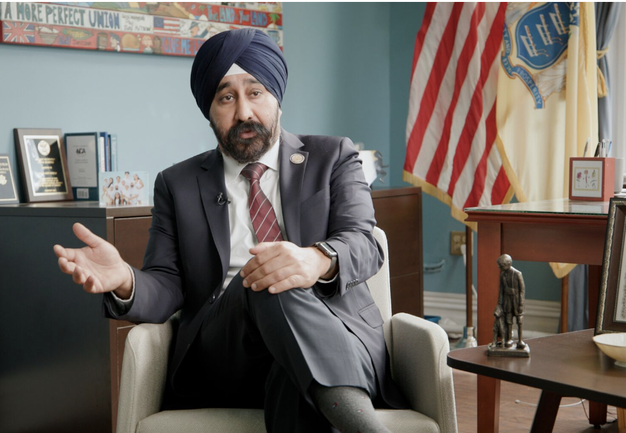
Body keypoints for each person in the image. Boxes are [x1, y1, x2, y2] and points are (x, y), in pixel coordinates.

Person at [54, 28, 406, 432]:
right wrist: (125, 281)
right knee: (267, 276)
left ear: (276, 97)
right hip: (227, 354)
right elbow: (167, 286)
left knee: (290, 368)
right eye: (226, 97)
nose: (243, 113)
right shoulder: (178, 183)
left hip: (342, 338)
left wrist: (313, 260)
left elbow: (364, 243)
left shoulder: (332, 157)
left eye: (255, 93)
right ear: (209, 109)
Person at [497, 254, 526, 349]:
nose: (499, 267)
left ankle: (520, 340)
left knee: (519, 321)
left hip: (516, 301)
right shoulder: (502, 275)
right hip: (507, 301)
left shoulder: (517, 274)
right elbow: (501, 290)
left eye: (501, 265)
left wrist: (521, 303)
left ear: (508, 264)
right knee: (508, 321)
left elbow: (522, 290)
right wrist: (500, 303)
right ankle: (509, 339)